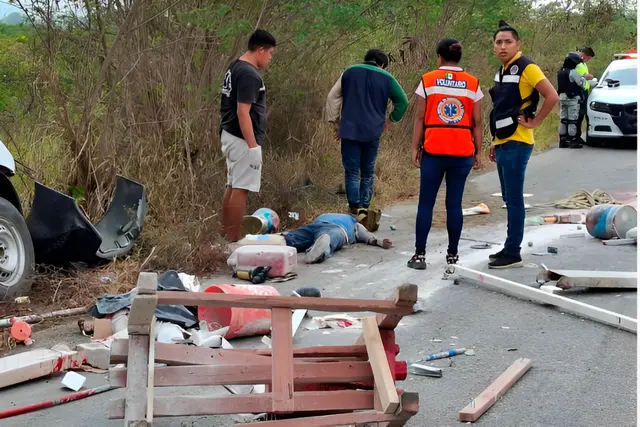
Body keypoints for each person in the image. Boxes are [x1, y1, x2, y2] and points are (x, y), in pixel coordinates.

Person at [406, 39, 484, 270]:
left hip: (434, 150)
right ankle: (452, 255)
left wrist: (414, 147)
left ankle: (420, 255)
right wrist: (478, 151)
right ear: (459, 58)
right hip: (462, 152)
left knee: (426, 204)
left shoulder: (428, 80)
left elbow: (420, 117)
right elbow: (477, 122)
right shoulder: (472, 83)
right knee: (454, 204)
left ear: (439, 57)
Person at [488, 22, 559, 269]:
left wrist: (536, 121)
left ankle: (513, 252)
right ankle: (509, 246)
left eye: (508, 42)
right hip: (503, 141)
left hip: (518, 141)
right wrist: (493, 141)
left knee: (514, 199)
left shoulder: (527, 67)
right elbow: (500, 107)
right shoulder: (502, 70)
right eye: (499, 42)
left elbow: (552, 96)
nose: (503, 46)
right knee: (509, 198)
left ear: (518, 44)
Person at [325, 49, 409, 216]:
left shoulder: (349, 72)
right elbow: (403, 102)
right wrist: (391, 119)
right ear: (383, 64)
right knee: (368, 171)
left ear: (366, 59)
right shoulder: (387, 78)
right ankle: (365, 207)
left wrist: (335, 122)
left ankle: (353, 207)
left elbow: (332, 97)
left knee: (351, 171)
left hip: (349, 129)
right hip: (373, 130)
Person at [220, 29, 276, 242]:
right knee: (241, 188)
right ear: (260, 50)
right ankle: (234, 240)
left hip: (230, 134)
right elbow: (242, 111)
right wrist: (253, 147)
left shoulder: (235, 66)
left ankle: (225, 235)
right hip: (242, 138)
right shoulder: (249, 74)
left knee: (233, 184)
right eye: (270, 53)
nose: (270, 58)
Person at [283, 213, 392, 264]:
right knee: (328, 238)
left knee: (293, 237)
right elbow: (366, 234)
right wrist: (378, 241)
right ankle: (318, 251)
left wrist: (379, 241)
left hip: (320, 226)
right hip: (330, 228)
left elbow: (366, 234)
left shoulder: (352, 222)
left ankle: (277, 240)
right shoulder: (353, 222)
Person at [557, 53, 586, 149]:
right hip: (572, 98)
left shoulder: (561, 71)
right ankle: (572, 140)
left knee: (563, 119)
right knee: (572, 119)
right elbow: (580, 83)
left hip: (562, 97)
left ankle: (563, 140)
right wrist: (586, 80)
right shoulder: (573, 72)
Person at [574, 47, 595, 144]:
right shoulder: (576, 63)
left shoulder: (583, 64)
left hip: (585, 91)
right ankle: (575, 136)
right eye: (588, 58)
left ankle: (578, 136)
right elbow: (574, 76)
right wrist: (585, 77)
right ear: (584, 55)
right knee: (578, 115)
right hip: (579, 91)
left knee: (583, 115)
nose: (588, 60)